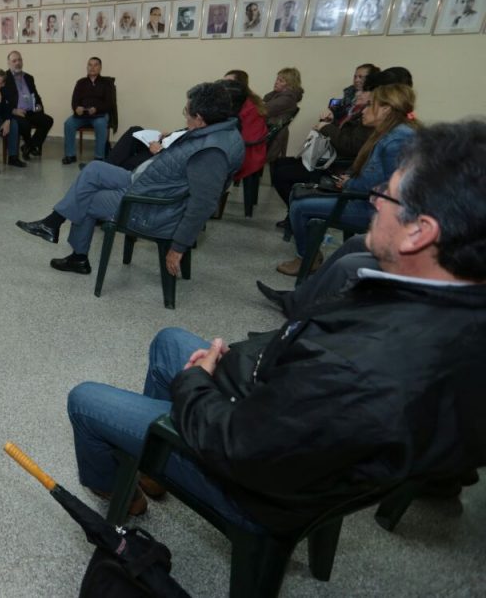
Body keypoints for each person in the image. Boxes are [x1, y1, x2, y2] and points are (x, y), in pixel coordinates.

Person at [67, 121, 486, 533]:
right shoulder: (446, 310)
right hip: (272, 406)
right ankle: (153, 468)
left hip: (248, 485)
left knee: (84, 400)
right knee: (168, 340)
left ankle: (123, 489)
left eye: (386, 196)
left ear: (420, 232)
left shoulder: (363, 361)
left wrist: (195, 382)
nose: (373, 202)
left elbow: (239, 446)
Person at [16, 82, 243, 276]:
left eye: (187, 112)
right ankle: (53, 223)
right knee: (94, 169)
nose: (185, 116)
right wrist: (173, 140)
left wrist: (178, 247)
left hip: (151, 205)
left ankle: (76, 255)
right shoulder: (218, 130)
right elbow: (188, 158)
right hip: (148, 182)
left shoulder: (211, 153)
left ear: (200, 118)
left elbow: (202, 204)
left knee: (85, 197)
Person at [277, 84, 419, 276]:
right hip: (370, 201)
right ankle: (310, 255)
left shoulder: (396, 140)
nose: (363, 111)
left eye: (369, 105)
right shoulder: (393, 133)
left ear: (385, 109)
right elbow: (375, 174)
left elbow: (383, 187)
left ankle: (306, 258)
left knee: (299, 207)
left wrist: (349, 183)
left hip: (374, 209)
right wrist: (351, 178)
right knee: (298, 192)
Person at [62, 57, 116, 165]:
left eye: (95, 65)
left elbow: (109, 103)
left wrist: (96, 109)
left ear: (100, 68)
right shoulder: (81, 82)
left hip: (99, 114)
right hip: (82, 115)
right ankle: (70, 155)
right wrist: (77, 108)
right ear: (87, 67)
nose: (92, 67)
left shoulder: (106, 83)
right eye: (90, 65)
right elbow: (74, 101)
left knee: (100, 124)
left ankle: (99, 157)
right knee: (68, 123)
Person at [3, 51, 53, 161]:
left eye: (19, 60)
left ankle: (28, 146)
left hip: (31, 111)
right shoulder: (4, 78)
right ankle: (30, 146)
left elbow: (36, 95)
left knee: (48, 120)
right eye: (14, 61)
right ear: (9, 63)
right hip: (16, 113)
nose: (17, 63)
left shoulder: (29, 77)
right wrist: (14, 110)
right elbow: (1, 101)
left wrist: (39, 105)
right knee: (25, 125)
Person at [222, 71, 268, 181]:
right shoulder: (239, 101)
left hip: (249, 153)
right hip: (243, 147)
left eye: (229, 82)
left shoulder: (249, 105)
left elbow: (247, 137)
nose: (224, 86)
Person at [262, 67, 303, 162]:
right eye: (277, 79)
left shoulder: (287, 99)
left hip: (274, 137)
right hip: (272, 133)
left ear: (290, 85)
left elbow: (263, 110)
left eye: (281, 81)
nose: (276, 82)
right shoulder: (279, 95)